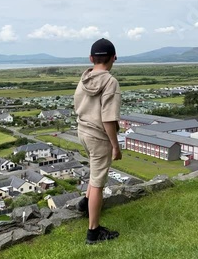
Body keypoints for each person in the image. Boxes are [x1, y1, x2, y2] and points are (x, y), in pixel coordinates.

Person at [73, 38, 122, 245]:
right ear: (114, 58)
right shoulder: (110, 82)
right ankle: (93, 232)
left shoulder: (84, 78)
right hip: (99, 136)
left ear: (91, 58)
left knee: (95, 172)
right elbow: (108, 118)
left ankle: (85, 203)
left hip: (82, 131)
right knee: (98, 183)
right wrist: (115, 145)